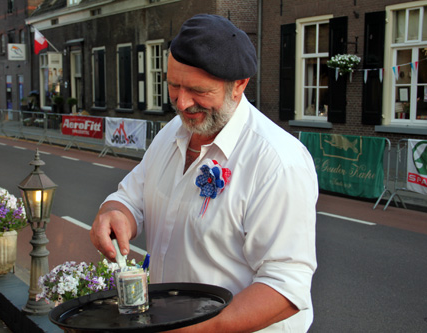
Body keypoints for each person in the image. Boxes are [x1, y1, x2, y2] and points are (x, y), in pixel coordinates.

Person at [90, 14, 318, 332]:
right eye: (172, 86)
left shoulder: (278, 163)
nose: (182, 103)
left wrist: (192, 329)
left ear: (238, 85)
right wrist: (116, 213)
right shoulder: (171, 133)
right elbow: (133, 197)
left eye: (198, 90)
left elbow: (285, 287)